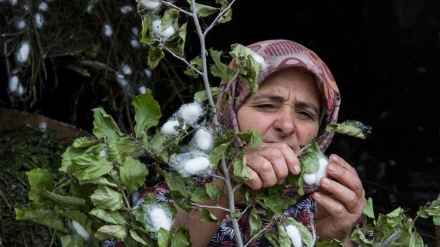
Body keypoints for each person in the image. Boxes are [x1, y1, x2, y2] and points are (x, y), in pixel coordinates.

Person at [104, 39, 370, 247]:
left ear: (321, 133)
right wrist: (224, 188)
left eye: (305, 114)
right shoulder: (174, 198)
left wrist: (332, 240)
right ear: (227, 112)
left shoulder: (335, 211)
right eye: (266, 105)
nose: (287, 125)